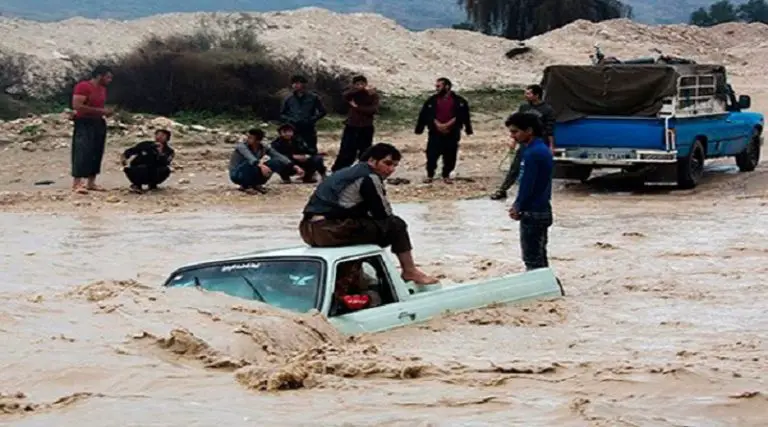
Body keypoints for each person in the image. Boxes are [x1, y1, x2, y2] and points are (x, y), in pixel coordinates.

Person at [299, 142, 438, 285]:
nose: (391, 170)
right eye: (387, 163)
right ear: (372, 161)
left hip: (307, 230)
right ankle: (409, 271)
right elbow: (383, 214)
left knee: (365, 227)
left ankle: (356, 272)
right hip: (329, 230)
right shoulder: (369, 176)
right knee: (396, 225)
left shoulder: (343, 173)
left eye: (395, 166)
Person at [505, 112, 554, 271]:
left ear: (529, 131)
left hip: (532, 212)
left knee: (532, 260)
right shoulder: (542, 149)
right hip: (543, 209)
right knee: (540, 259)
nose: (513, 136)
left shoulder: (532, 153)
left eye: (515, 131)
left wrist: (518, 206)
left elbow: (528, 184)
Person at [490, 84, 556, 200]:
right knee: (515, 167)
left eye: (529, 93)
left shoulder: (547, 110)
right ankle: (503, 189)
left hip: (539, 143)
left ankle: (539, 194)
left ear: (537, 95)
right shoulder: (524, 108)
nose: (526, 95)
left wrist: (551, 146)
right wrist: (513, 142)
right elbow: (516, 127)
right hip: (524, 143)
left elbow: (550, 129)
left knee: (538, 169)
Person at [414, 77, 473, 184]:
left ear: (447, 86)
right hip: (435, 132)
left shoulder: (460, 101)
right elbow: (425, 115)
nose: (436, 89)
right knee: (431, 154)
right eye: (436, 86)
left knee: (450, 155)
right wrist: (431, 125)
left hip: (452, 132)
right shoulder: (431, 100)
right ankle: (430, 174)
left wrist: (465, 128)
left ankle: (446, 174)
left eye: (438, 86)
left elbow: (464, 116)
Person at [70, 65, 114, 194]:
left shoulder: (102, 89)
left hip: (98, 121)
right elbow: (77, 105)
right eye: (108, 77)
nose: (109, 80)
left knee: (97, 151)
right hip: (84, 121)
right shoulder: (83, 86)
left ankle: (91, 182)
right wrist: (101, 111)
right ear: (99, 75)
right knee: (82, 150)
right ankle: (77, 183)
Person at [229, 128, 304, 194]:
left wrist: (294, 166)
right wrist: (261, 166)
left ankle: (256, 184)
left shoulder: (263, 147)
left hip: (254, 168)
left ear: (258, 140)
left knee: (276, 162)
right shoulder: (242, 146)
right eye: (248, 137)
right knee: (250, 163)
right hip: (238, 174)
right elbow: (250, 158)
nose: (248, 139)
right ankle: (245, 186)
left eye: (251, 138)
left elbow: (279, 156)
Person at [331, 75, 380, 172]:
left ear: (366, 84)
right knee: (346, 150)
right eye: (357, 84)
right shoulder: (352, 94)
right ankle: (339, 170)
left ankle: (364, 169)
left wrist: (357, 107)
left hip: (366, 126)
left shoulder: (372, 95)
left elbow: (373, 109)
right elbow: (345, 96)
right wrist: (358, 90)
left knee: (365, 150)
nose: (360, 86)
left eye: (362, 84)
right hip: (352, 126)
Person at [279, 75, 327, 153]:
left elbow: (323, 111)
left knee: (311, 150)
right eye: (293, 83)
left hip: (308, 129)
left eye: (298, 83)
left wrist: (312, 120)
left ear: (304, 84)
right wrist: (290, 120)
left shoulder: (313, 97)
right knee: (294, 150)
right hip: (294, 129)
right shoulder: (288, 99)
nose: (295, 85)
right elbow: (282, 114)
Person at [121, 129, 175, 193]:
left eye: (162, 135)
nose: (159, 137)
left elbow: (166, 162)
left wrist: (160, 153)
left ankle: (153, 184)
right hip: (140, 169)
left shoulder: (169, 151)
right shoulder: (146, 144)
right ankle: (137, 185)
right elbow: (131, 151)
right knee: (134, 169)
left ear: (167, 138)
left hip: (155, 171)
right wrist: (124, 158)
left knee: (165, 170)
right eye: (158, 134)